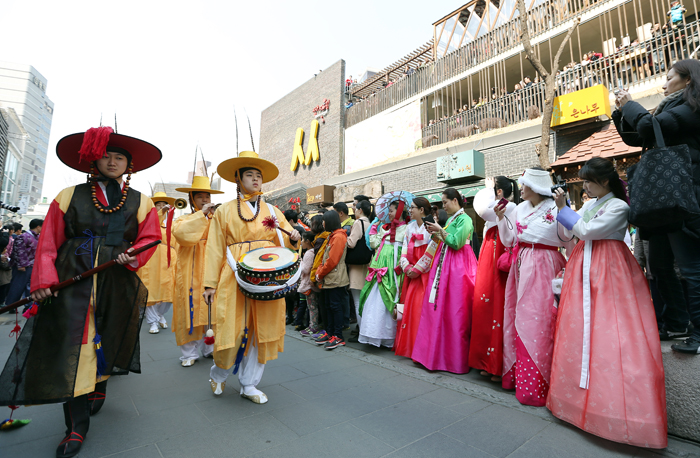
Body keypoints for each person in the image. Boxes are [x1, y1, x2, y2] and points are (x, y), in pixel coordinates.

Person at [0, 126, 161, 458]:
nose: (112, 161)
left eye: (120, 157)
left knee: (110, 335)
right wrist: (43, 281)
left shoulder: (142, 201)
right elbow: (48, 245)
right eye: (107, 155)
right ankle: (76, 427)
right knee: (73, 348)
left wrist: (134, 255)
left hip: (116, 281)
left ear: (129, 165)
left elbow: (148, 238)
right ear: (94, 158)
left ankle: (100, 384)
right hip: (72, 282)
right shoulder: (67, 196)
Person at [547, 157, 667, 448]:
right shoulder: (589, 205)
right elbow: (568, 235)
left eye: (588, 181)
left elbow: (587, 232)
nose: (584, 186)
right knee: (581, 333)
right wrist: (562, 213)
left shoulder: (619, 206)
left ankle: (615, 413)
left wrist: (565, 211)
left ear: (604, 181)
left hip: (609, 268)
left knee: (613, 333)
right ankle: (576, 404)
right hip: (583, 266)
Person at [612, 59, 700, 353]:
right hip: (667, 200)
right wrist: (620, 110)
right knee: (659, 265)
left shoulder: (691, 108)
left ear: (688, 80)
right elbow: (636, 136)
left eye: (669, 77)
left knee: (690, 268)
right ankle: (676, 323)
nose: (664, 84)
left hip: (684, 198)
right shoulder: (672, 108)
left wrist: (631, 105)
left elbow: (649, 127)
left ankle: (698, 335)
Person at [203, 151, 300, 403]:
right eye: (249, 174)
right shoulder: (224, 211)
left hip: (267, 276)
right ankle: (219, 373)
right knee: (231, 329)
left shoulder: (271, 210)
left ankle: (249, 384)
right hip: (233, 275)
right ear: (238, 179)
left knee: (261, 331)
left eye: (258, 175)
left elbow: (288, 239)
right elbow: (214, 247)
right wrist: (210, 283)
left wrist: (295, 239)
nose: (256, 179)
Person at [495, 168, 574, 406]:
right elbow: (509, 240)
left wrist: (563, 209)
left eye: (524, 184)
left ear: (535, 186)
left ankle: (541, 386)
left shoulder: (555, 207)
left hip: (545, 264)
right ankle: (522, 382)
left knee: (540, 321)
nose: (521, 188)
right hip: (522, 265)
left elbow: (566, 238)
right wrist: (500, 219)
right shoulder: (519, 208)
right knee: (518, 318)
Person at [412, 189, 477, 374]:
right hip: (446, 264)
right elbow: (445, 240)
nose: (443, 206)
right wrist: (435, 232)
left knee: (455, 311)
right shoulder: (450, 220)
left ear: (455, 200)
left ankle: (451, 359)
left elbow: (457, 243)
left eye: (445, 202)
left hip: (458, 267)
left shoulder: (465, 219)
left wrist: (440, 230)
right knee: (440, 309)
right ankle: (434, 355)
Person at [469, 177, 519, 382]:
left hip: (499, 257)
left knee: (499, 306)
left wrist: (488, 190)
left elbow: (482, 209)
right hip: (491, 255)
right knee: (486, 306)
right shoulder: (502, 205)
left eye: (493, 190)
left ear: (499, 192)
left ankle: (497, 365)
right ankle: (486, 361)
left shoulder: (510, 206)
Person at [171, 176, 224, 367]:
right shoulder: (184, 219)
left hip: (212, 266)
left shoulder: (217, 218)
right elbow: (183, 236)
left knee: (212, 306)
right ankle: (188, 353)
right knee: (190, 308)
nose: (204, 200)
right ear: (192, 198)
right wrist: (201, 215)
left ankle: (210, 347)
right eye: (200, 196)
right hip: (190, 270)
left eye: (207, 196)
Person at [358, 198, 409, 348]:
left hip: (394, 269)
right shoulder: (385, 228)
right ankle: (372, 334)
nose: (389, 213)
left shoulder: (406, 229)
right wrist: (374, 227)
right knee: (374, 300)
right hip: (379, 267)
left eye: (392, 210)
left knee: (391, 298)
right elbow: (374, 244)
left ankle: (389, 338)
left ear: (399, 211)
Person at [394, 197, 432, 358]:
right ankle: (410, 346)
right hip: (411, 273)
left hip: (425, 274)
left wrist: (417, 269)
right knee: (410, 308)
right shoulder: (409, 228)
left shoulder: (431, 227)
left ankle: (422, 349)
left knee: (421, 309)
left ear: (422, 210)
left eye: (413, 208)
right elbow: (404, 250)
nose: (410, 210)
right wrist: (406, 266)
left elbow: (432, 252)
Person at [138, 192, 177, 334]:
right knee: (151, 292)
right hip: (152, 260)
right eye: (158, 206)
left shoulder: (173, 223)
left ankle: (160, 314)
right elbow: (151, 225)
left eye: (164, 205)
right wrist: (162, 212)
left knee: (169, 293)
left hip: (169, 260)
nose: (162, 208)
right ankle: (152, 322)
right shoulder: (148, 222)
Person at [315, 211, 349, 350]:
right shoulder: (333, 236)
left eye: (324, 221)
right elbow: (326, 259)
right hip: (330, 277)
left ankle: (338, 336)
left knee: (335, 307)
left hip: (336, 278)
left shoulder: (339, 236)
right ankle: (330, 333)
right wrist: (319, 272)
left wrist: (320, 273)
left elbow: (332, 260)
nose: (322, 223)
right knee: (329, 306)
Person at [346, 199, 371, 343]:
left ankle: (362, 333)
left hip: (356, 267)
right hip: (367, 265)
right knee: (365, 301)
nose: (354, 211)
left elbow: (351, 243)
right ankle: (366, 330)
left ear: (360, 210)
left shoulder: (358, 223)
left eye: (356, 209)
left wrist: (345, 237)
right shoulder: (370, 223)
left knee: (357, 302)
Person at [5, 218, 42, 306]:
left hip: (32, 265)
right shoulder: (23, 236)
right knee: (17, 286)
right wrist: (22, 265)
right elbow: (19, 251)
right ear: (38, 227)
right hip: (23, 266)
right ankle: (11, 305)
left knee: (29, 287)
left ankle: (28, 305)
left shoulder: (37, 237)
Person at [296, 232, 318, 333]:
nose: (301, 243)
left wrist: (300, 261)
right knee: (312, 306)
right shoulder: (313, 252)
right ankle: (312, 326)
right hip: (312, 283)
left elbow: (305, 270)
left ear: (308, 241)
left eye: (303, 240)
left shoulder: (309, 253)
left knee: (312, 306)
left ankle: (313, 327)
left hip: (309, 284)